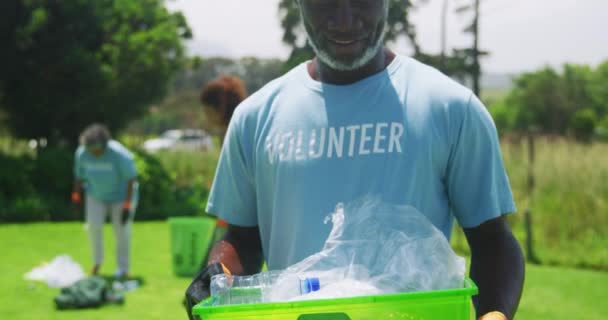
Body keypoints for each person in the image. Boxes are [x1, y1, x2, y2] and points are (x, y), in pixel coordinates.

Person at [186, 1, 524, 319]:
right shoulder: (255, 118)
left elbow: (492, 241)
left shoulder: (452, 109)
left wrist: (494, 313)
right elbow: (243, 239)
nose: (345, 20)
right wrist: (218, 276)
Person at [72, 124, 138, 278]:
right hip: (96, 195)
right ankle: (97, 263)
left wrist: (127, 206)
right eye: (90, 149)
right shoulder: (82, 154)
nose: (94, 153)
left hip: (121, 197)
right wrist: (76, 197)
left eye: (97, 149)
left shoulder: (118, 154)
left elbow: (131, 179)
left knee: (121, 231)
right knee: (93, 227)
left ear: (104, 145)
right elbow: (79, 177)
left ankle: (123, 268)